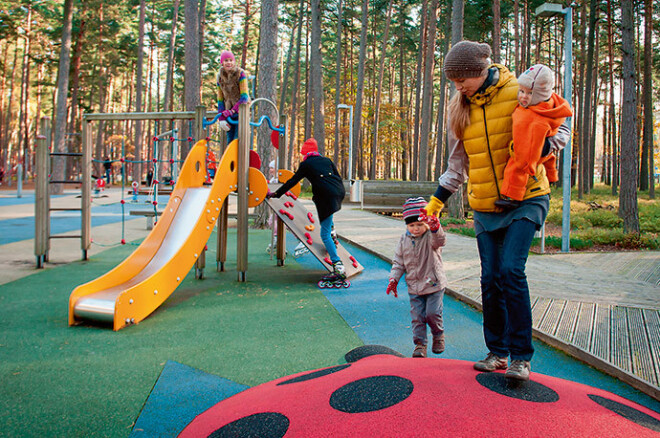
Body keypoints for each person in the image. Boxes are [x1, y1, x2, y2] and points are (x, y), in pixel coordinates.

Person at [424, 41, 569, 381]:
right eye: (454, 81)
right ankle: (498, 352)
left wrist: (545, 146)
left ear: (481, 70)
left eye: (463, 79)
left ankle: (521, 356)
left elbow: (561, 122)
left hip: (528, 196)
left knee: (510, 271)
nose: (458, 86)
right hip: (486, 205)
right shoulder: (459, 108)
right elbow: (457, 166)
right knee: (490, 279)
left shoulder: (520, 90)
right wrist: (436, 202)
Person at [495, 64, 573, 210]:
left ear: (539, 95)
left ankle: (513, 196)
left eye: (530, 93)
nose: (524, 96)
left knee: (515, 167)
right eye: (522, 91)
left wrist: (526, 164)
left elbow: (530, 153)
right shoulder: (546, 105)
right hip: (541, 148)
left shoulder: (535, 119)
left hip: (530, 152)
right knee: (548, 158)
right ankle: (552, 176)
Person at [267, 138, 347, 279]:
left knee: (324, 234)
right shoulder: (327, 160)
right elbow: (338, 177)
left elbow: (293, 181)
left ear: (305, 153)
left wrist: (276, 194)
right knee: (328, 215)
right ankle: (333, 231)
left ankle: (338, 265)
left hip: (325, 196)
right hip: (339, 192)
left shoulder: (306, 164)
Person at [386, 197, 447, 358]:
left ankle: (438, 334)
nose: (416, 228)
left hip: (433, 284)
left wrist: (435, 227)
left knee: (432, 314)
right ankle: (420, 345)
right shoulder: (404, 239)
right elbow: (399, 261)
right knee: (418, 318)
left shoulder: (430, 237)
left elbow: (440, 240)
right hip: (414, 286)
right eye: (411, 225)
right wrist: (394, 279)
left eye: (420, 224)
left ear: (426, 223)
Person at [216, 50, 250, 143]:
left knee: (237, 140)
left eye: (231, 60)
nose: (229, 63)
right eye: (226, 60)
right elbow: (220, 100)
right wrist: (221, 118)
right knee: (229, 141)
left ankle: (240, 157)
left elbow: (244, 97)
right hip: (228, 112)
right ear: (222, 63)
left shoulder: (240, 74)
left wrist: (233, 110)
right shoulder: (220, 77)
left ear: (234, 62)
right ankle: (230, 157)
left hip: (240, 111)